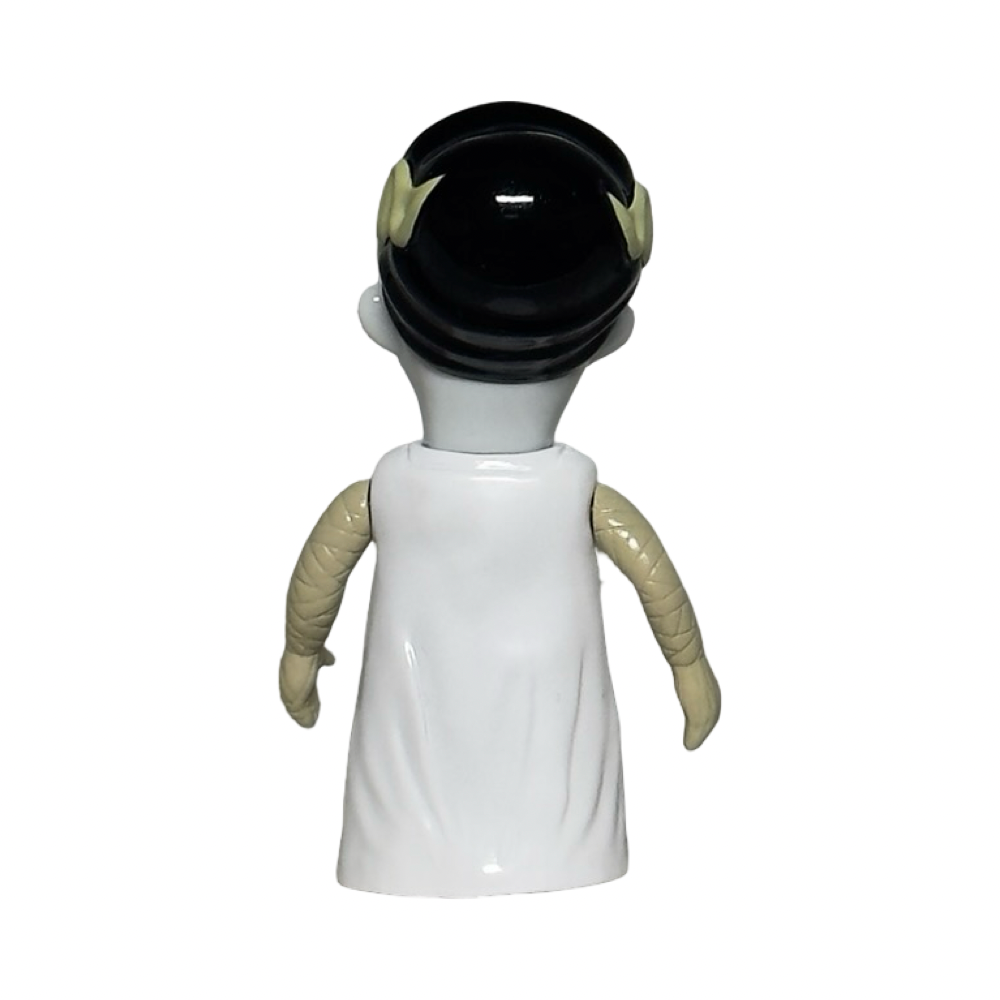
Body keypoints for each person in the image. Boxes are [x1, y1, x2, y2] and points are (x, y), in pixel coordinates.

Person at [278, 102, 721, 897]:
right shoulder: (576, 494)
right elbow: (657, 582)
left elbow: (320, 579)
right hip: (565, 837)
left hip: (401, 838)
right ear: (611, 340)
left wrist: (300, 655)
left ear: (380, 322)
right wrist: (688, 666)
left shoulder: (387, 493)